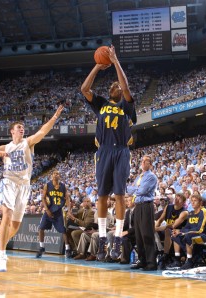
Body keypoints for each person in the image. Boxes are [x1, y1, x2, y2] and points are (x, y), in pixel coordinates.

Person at [0, 105, 64, 272]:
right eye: (19, 128)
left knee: (16, 226)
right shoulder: (6, 147)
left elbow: (42, 132)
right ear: (12, 131)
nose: (22, 130)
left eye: (23, 128)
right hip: (9, 182)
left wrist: (54, 118)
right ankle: (2, 254)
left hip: (24, 186)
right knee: (7, 214)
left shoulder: (28, 143)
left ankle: (0, 246)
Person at [81, 44, 137, 260]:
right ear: (108, 92)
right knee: (102, 195)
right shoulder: (101, 104)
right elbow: (84, 89)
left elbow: (126, 87)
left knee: (120, 195)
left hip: (121, 151)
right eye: (112, 85)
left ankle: (118, 238)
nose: (116, 86)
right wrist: (97, 66)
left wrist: (115, 62)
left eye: (118, 86)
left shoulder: (127, 105)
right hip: (103, 151)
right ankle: (103, 237)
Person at [168, 193, 206, 270]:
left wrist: (182, 232)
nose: (193, 202)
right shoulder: (191, 213)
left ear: (200, 202)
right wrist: (179, 231)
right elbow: (187, 227)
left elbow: (200, 229)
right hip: (194, 234)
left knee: (188, 236)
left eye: (195, 201)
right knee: (175, 235)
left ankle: (190, 261)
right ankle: (177, 259)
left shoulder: (204, 212)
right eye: (192, 201)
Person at [130, 155, 158, 271]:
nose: (142, 163)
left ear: (150, 164)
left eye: (145, 161)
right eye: (142, 161)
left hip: (146, 206)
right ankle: (142, 260)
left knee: (147, 234)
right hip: (138, 206)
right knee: (139, 235)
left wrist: (135, 190)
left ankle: (151, 262)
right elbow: (130, 189)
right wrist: (136, 190)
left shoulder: (151, 177)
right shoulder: (140, 176)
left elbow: (142, 191)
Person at [36, 170, 71, 258]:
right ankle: (41, 247)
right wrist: (47, 209)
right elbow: (43, 198)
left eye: (58, 174)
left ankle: (67, 249)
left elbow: (67, 198)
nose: (56, 175)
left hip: (58, 211)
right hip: (49, 210)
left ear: (60, 176)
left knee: (63, 230)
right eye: (54, 173)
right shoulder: (47, 185)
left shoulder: (63, 186)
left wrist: (69, 210)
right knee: (41, 228)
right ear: (52, 175)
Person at [155, 193, 188, 269]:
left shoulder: (184, 212)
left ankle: (167, 256)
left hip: (181, 232)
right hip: (168, 231)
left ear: (183, 202)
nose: (176, 199)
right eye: (176, 197)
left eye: (179, 198)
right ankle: (154, 254)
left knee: (170, 230)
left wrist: (159, 228)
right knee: (152, 230)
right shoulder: (168, 207)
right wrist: (155, 227)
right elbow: (160, 219)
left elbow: (173, 226)